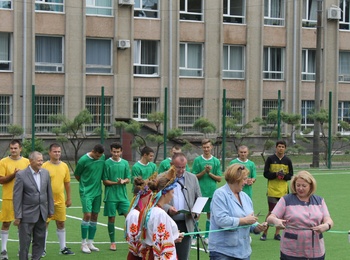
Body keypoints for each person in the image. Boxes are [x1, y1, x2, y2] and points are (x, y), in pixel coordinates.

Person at [267, 170, 333, 260]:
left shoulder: (319, 200)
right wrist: (276, 221)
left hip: (316, 250)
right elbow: (270, 218)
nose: (300, 188)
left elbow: (328, 219)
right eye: (298, 185)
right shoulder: (286, 200)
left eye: (304, 186)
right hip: (291, 251)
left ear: (311, 186)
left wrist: (326, 225)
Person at [209, 164, 267, 260]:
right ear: (236, 179)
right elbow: (222, 220)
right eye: (244, 179)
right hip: (223, 252)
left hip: (243, 251)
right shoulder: (220, 195)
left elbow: (249, 220)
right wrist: (244, 220)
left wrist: (257, 227)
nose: (246, 182)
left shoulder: (245, 197)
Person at [13, 151, 54, 260]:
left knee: (39, 241)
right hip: (26, 214)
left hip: (42, 213)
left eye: (42, 160)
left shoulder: (45, 173)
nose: (41, 162)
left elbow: (49, 192)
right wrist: (18, 215)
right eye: (39, 160)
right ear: (31, 161)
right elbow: (17, 197)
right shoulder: (21, 175)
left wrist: (50, 210)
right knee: (25, 243)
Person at [163, 153, 202, 260]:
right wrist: (168, 209)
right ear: (171, 165)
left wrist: (196, 212)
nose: (181, 170)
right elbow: (156, 200)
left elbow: (199, 198)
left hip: (186, 224)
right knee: (167, 256)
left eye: (183, 167)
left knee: (183, 257)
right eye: (178, 167)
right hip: (167, 223)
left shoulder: (192, 178)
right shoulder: (162, 178)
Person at [141, 168, 184, 259]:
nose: (172, 196)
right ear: (165, 193)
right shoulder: (160, 213)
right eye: (172, 193)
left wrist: (174, 236)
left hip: (150, 253)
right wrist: (174, 237)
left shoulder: (151, 209)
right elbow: (160, 242)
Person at [42, 143, 74, 256]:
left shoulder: (64, 166)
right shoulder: (44, 166)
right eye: (55, 151)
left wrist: (69, 198)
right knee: (44, 224)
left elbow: (67, 183)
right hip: (46, 201)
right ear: (50, 153)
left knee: (61, 223)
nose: (57, 153)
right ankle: (42, 249)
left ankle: (63, 248)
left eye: (59, 151)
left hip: (60, 200)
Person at [0, 140, 29, 260]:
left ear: (20, 149)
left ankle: (21, 250)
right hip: (9, 197)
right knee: (6, 223)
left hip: (23, 199)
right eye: (11, 148)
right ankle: (3, 250)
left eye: (15, 148)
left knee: (22, 225)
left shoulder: (27, 162)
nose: (13, 150)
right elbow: (1, 180)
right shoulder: (3, 162)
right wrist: (13, 174)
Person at [74, 144, 105, 254]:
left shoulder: (102, 158)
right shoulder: (83, 160)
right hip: (86, 191)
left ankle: (90, 242)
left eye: (100, 156)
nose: (98, 158)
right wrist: (85, 185)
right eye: (97, 156)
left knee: (95, 215)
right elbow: (77, 175)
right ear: (93, 151)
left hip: (97, 192)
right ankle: (83, 243)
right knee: (87, 215)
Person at [260, 140, 293, 241]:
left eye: (283, 147)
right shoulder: (270, 159)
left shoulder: (288, 160)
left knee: (281, 214)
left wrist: (283, 176)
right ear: (276, 147)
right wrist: (275, 174)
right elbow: (265, 174)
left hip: (283, 191)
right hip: (272, 190)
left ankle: (277, 234)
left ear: (285, 148)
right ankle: (265, 232)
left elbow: (290, 175)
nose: (281, 148)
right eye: (279, 146)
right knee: (271, 212)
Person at [191, 139, 222, 244]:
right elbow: (194, 176)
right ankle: (194, 236)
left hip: (211, 192)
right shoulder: (197, 160)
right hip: (199, 192)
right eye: (204, 147)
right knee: (196, 214)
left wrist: (209, 173)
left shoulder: (216, 161)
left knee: (210, 214)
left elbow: (219, 178)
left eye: (208, 147)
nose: (206, 149)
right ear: (202, 148)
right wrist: (204, 171)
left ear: (211, 147)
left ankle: (207, 236)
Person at [102, 142, 130, 251]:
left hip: (123, 196)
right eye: (114, 151)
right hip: (111, 196)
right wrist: (116, 183)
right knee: (111, 218)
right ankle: (112, 242)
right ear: (111, 151)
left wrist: (124, 181)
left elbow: (128, 178)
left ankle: (131, 239)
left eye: (118, 152)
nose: (116, 153)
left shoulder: (125, 163)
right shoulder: (106, 163)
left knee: (129, 216)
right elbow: (105, 181)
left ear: (121, 152)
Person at [125, 176, 155, 260]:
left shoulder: (141, 213)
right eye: (150, 197)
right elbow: (133, 240)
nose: (151, 200)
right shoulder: (135, 215)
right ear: (143, 197)